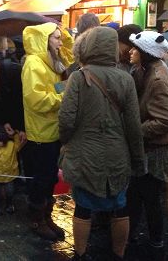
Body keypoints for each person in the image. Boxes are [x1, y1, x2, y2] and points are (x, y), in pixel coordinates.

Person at [58, 27, 145, 260]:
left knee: (83, 206)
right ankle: (118, 253)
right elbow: (134, 126)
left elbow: (66, 119)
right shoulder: (126, 79)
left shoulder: (78, 77)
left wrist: (66, 141)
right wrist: (138, 160)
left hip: (84, 154)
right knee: (120, 206)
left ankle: (80, 253)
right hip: (118, 154)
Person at [21, 22, 74, 241]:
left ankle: (46, 217)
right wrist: (64, 97)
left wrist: (63, 34)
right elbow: (36, 99)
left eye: (60, 37)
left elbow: (70, 56)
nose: (60, 41)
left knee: (50, 176)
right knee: (42, 178)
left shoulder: (54, 61)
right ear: (43, 40)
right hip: (41, 132)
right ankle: (38, 220)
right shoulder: (34, 63)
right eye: (55, 38)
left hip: (53, 129)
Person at [127, 31, 168, 259]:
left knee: (150, 197)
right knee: (137, 194)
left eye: (135, 49)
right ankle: (133, 235)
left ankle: (156, 242)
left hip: (156, 150)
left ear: (145, 53)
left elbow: (166, 120)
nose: (130, 51)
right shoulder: (143, 71)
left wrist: (135, 132)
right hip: (148, 147)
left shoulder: (158, 79)